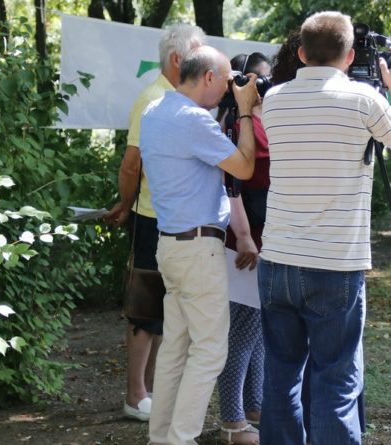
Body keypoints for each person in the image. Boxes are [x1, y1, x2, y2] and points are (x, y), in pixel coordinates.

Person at [258, 11, 391, 445]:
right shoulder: (362, 101)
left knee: (279, 378)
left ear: (299, 54)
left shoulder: (274, 99)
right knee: (335, 379)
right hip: (335, 263)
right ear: (350, 56)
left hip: (276, 259)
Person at [140, 45, 259, 445]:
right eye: (226, 81)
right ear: (208, 77)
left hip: (171, 246)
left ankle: (162, 438)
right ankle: (180, 439)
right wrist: (244, 110)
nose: (229, 88)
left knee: (176, 348)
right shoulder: (194, 120)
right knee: (209, 351)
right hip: (198, 249)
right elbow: (244, 166)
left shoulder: (155, 110)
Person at [103, 23, 206, 422]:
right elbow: (132, 164)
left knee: (167, 309)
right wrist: (126, 205)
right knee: (145, 309)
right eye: (198, 55)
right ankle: (136, 394)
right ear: (178, 59)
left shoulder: (184, 98)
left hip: (178, 220)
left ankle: (153, 391)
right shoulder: (152, 98)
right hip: (151, 217)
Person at [214, 51, 272, 445]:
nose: (258, 86)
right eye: (250, 79)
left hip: (271, 235)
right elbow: (228, 182)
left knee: (262, 331)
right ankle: (231, 418)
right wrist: (246, 234)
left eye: (264, 80)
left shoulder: (268, 118)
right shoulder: (232, 123)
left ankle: (254, 404)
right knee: (242, 331)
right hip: (243, 239)